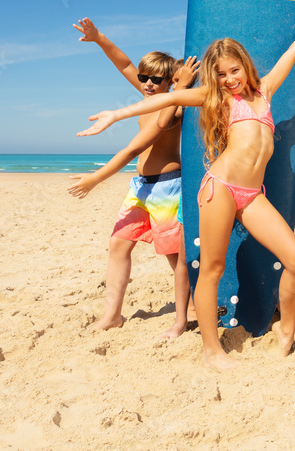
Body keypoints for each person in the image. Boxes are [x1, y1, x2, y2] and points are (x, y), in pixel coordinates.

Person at [77, 7, 295, 370]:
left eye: (234, 70)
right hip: (219, 188)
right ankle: (211, 350)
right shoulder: (218, 98)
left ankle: (285, 332)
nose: (229, 79)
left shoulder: (264, 90)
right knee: (212, 269)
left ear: (246, 67)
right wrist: (116, 115)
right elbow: (170, 98)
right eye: (221, 74)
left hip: (252, 195)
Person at [68, 18, 198, 339]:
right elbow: (124, 63)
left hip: (168, 188)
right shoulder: (144, 97)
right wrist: (99, 38)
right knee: (118, 245)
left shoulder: (175, 106)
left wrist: (181, 89)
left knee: (173, 255)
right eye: (144, 78)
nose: (148, 84)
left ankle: (190, 308)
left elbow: (152, 132)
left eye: (156, 79)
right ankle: (112, 315)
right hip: (139, 187)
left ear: (170, 82)